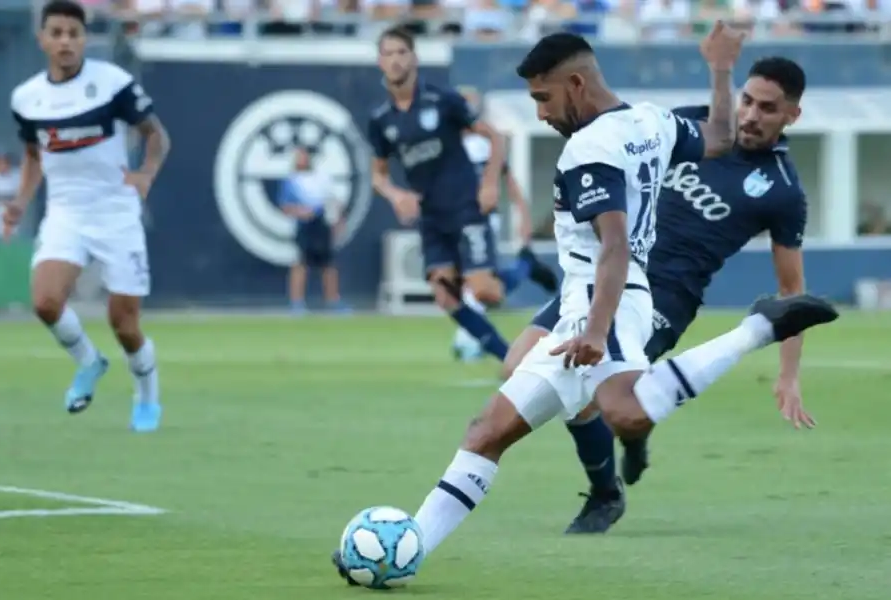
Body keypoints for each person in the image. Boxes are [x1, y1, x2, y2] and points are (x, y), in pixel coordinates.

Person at [332, 28, 837, 581]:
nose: (541, 114)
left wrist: (596, 331)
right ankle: (407, 551)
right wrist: (720, 72)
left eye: (543, 98)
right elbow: (718, 136)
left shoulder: (588, 148)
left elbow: (614, 246)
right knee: (486, 432)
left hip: (612, 299)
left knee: (625, 411)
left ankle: (755, 329)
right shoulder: (651, 120)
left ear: (575, 85)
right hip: (585, 300)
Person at [504, 56, 813, 535]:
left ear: (791, 115)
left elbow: (792, 291)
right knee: (516, 364)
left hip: (663, 300)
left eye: (767, 108)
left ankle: (606, 492)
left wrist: (788, 376)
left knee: (585, 387)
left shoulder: (782, 191)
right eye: (747, 100)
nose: (751, 115)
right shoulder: (693, 124)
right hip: (602, 273)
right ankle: (633, 428)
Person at [3, 0, 171, 432]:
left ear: (84, 39)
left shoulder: (111, 83)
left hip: (115, 212)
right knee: (44, 301)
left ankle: (147, 395)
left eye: (73, 34)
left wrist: (147, 173)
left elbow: (156, 135)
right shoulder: (27, 97)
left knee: (124, 323)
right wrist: (21, 202)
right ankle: (89, 362)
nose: (65, 42)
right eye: (56, 33)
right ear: (42, 40)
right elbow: (33, 154)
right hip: (65, 213)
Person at [366, 26, 554, 367]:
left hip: (465, 207)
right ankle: (510, 360)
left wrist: (487, 185)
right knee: (444, 294)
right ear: (380, 62)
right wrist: (395, 195)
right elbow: (377, 174)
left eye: (401, 52)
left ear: (414, 58)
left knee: (485, 291)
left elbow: (495, 137)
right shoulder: (381, 121)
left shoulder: (442, 101)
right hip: (431, 217)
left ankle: (525, 266)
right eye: (388, 54)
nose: (395, 60)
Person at [452, 86, 557, 362]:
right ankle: (525, 267)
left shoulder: (481, 145)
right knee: (474, 284)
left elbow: (509, 183)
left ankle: (469, 342)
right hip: (455, 219)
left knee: (474, 284)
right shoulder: (450, 143)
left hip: (480, 219)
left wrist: (523, 217)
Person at [279, 147, 350, 315]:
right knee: (301, 264)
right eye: (298, 157)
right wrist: (301, 212)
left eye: (303, 156)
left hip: (322, 225)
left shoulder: (322, 178)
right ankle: (297, 303)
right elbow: (285, 206)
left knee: (328, 264)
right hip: (304, 227)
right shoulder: (291, 180)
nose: (301, 160)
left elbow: (333, 201)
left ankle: (332, 300)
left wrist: (338, 221)